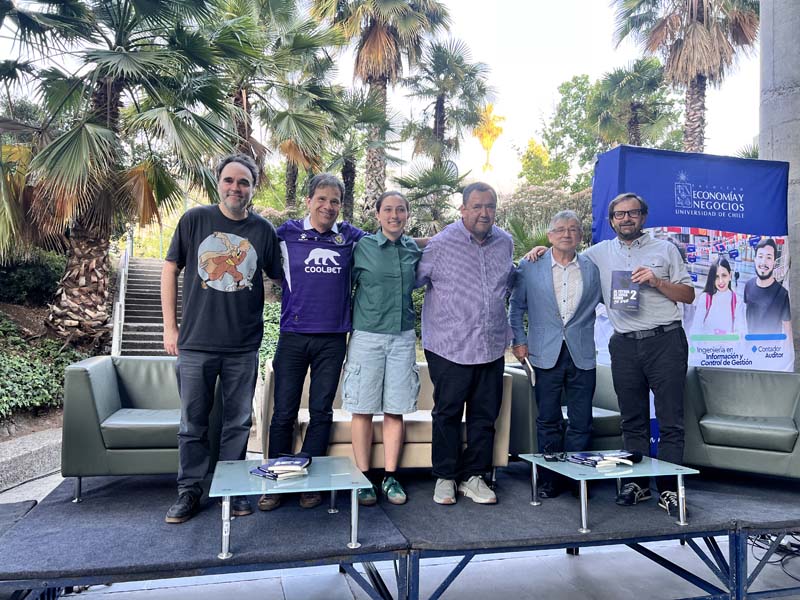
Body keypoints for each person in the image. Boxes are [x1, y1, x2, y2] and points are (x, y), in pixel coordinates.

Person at [526, 192, 694, 516]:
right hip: (624, 345)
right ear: (612, 220)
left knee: (671, 420)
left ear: (643, 216)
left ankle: (670, 490)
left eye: (633, 212)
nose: (626, 218)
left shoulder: (665, 249)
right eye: (620, 214)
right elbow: (565, 255)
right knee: (632, 421)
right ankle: (637, 485)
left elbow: (687, 294)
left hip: (665, 341)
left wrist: (657, 281)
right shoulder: (598, 253)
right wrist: (541, 252)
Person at [161, 153, 282, 524]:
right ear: (218, 183)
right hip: (195, 343)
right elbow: (170, 269)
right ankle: (189, 491)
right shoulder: (195, 220)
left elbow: (282, 277)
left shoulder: (263, 231)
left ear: (253, 188)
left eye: (244, 182)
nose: (236, 188)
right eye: (229, 180)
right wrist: (169, 327)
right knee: (192, 424)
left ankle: (233, 490)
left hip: (243, 347)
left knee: (238, 424)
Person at [259, 174, 366, 512]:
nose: (328, 206)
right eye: (321, 199)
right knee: (283, 412)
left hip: (333, 339)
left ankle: (310, 482)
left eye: (335, 201)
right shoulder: (286, 233)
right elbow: (269, 267)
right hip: (293, 336)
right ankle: (276, 481)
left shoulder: (350, 237)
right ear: (309, 201)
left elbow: (389, 241)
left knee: (322, 411)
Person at [416, 182, 515, 505]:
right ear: (463, 209)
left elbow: (510, 282)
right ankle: (445, 477)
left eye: (490, 206)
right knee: (447, 413)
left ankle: (474, 477)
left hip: (490, 344)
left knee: (484, 416)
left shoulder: (505, 243)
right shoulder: (441, 244)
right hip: (450, 345)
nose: (484, 213)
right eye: (477, 206)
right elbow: (412, 279)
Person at [509, 210, 602, 498]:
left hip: (581, 353)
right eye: (560, 229)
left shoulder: (592, 268)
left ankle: (577, 478)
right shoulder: (529, 266)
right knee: (548, 419)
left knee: (581, 421)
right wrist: (518, 340)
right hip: (543, 352)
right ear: (550, 236)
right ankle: (550, 479)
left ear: (580, 236)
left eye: (573, 229)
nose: (566, 234)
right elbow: (516, 308)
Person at [343, 191, 421, 506]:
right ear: (377, 215)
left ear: (407, 214)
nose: (394, 215)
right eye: (388, 209)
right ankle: (363, 478)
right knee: (362, 409)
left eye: (400, 209)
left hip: (402, 338)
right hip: (367, 336)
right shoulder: (361, 247)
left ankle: (390, 476)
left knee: (395, 409)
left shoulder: (413, 249)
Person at [743, 238, 791, 337]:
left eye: (769, 257)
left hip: (770, 346)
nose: (763, 262)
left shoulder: (782, 294)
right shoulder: (748, 285)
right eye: (760, 256)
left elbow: (788, 330)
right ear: (755, 259)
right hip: (750, 343)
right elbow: (745, 317)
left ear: (774, 262)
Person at [690, 258, 744, 336]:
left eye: (724, 275)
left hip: (728, 344)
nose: (721, 281)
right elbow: (695, 329)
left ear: (730, 276)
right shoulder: (705, 298)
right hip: (707, 344)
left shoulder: (737, 301)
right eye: (716, 277)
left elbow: (741, 333)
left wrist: (722, 334)